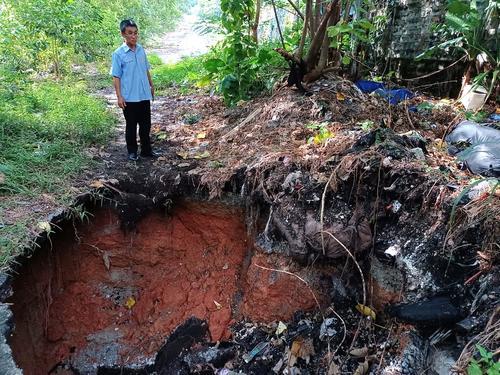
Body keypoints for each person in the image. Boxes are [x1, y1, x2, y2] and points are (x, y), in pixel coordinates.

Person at [111, 19, 157, 161]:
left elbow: (146, 69)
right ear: (123, 34)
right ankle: (132, 152)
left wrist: (151, 84)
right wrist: (119, 96)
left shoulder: (141, 50)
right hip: (129, 97)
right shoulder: (118, 54)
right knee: (131, 126)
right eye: (130, 33)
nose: (134, 36)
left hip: (143, 94)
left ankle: (146, 151)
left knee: (145, 125)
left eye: (136, 33)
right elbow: (116, 76)